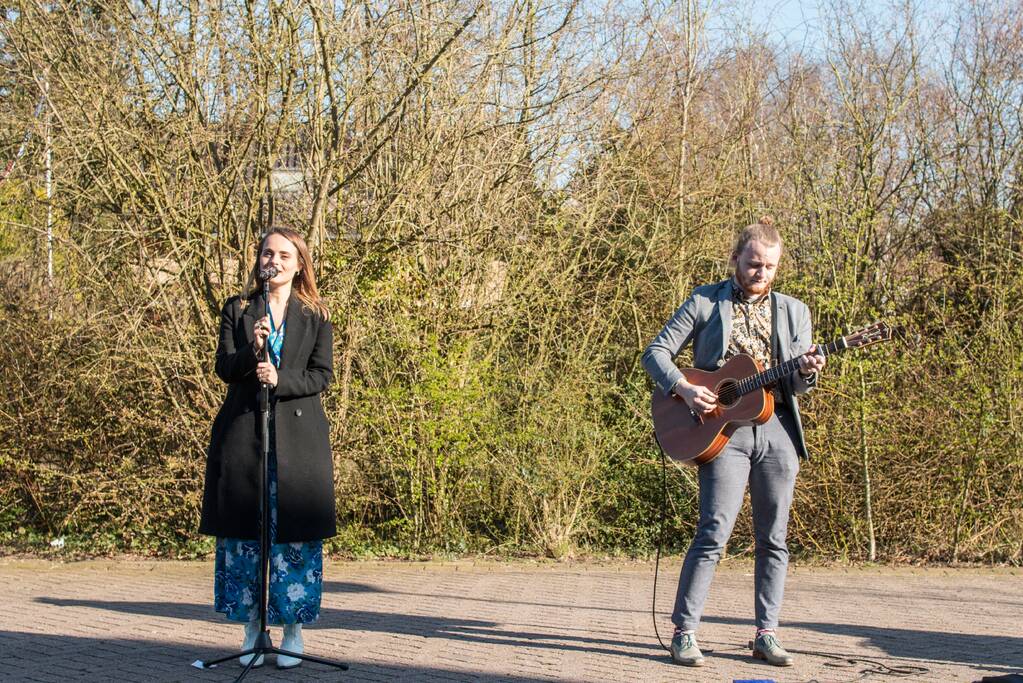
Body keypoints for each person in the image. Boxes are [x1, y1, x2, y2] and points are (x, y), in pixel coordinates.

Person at [642, 216, 826, 668]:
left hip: (778, 429)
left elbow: (800, 387)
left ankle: (767, 634)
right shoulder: (705, 301)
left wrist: (807, 371)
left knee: (775, 538)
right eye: (754, 264)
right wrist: (684, 389)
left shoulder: (795, 311)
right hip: (722, 431)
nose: (761, 273)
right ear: (736, 260)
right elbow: (655, 353)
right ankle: (684, 632)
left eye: (770, 266)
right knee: (714, 532)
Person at [199, 227, 336, 669]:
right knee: (246, 540)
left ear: (298, 265)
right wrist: (252, 349)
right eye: (265, 253)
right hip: (245, 437)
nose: (271, 261)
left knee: (291, 538)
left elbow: (321, 375)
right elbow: (224, 366)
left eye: (282, 254)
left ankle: (293, 631)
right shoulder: (238, 309)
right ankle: (252, 628)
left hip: (297, 442)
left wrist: (282, 380)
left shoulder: (315, 315)